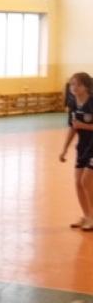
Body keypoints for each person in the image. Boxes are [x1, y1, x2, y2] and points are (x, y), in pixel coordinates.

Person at [60, 72, 93, 230]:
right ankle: (86, 216)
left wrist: (83, 126)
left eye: (78, 84)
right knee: (78, 182)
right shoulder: (73, 104)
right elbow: (73, 127)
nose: (74, 87)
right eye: (72, 84)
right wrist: (64, 149)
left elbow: (80, 125)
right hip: (83, 147)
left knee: (86, 181)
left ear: (86, 86)